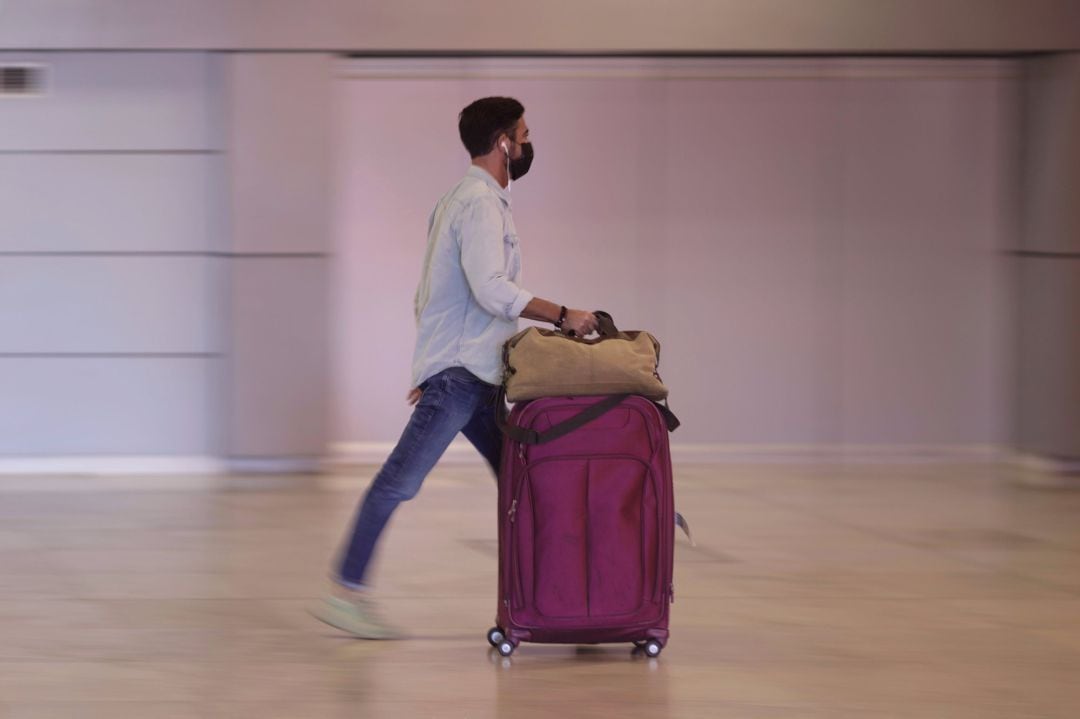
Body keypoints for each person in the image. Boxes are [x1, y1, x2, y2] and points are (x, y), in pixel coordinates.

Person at [310, 96, 599, 638]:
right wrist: (563, 315)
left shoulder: (459, 200)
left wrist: (431, 363)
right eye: (525, 134)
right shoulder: (477, 204)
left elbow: (428, 293)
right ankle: (345, 593)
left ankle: (558, 601)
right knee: (401, 481)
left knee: (523, 482)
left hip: (474, 376)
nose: (529, 144)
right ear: (502, 143)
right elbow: (490, 289)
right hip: (464, 377)